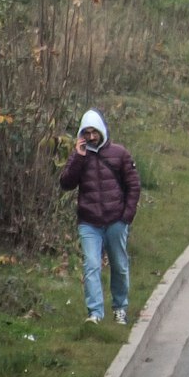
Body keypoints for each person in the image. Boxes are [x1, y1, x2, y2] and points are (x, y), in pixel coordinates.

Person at [59, 108, 140, 324]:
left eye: (95, 132)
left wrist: (126, 216)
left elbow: (133, 185)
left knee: (119, 265)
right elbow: (66, 183)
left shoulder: (119, 154)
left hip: (116, 220)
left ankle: (120, 307)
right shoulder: (79, 156)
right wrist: (78, 156)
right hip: (89, 222)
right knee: (91, 265)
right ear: (81, 134)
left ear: (102, 131)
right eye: (87, 133)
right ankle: (95, 313)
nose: (91, 137)